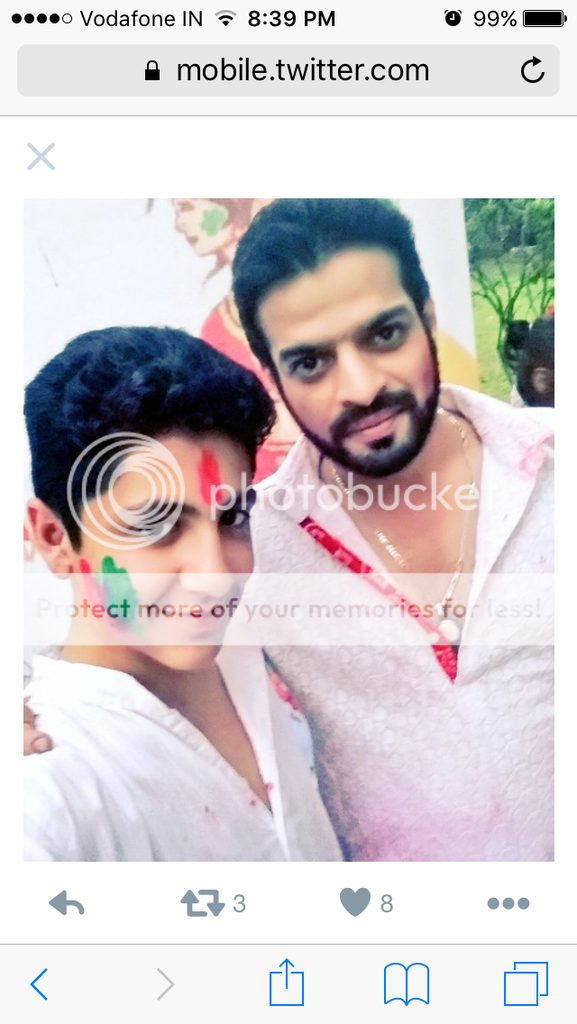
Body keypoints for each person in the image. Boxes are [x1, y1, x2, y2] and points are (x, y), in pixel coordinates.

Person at [230, 198, 554, 862]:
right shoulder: (252, 542)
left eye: (383, 335)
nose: (360, 387)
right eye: (310, 363)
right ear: (274, 380)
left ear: (428, 318)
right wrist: (33, 716)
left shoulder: (554, 465)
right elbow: (135, 644)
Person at [23, 326, 341, 862]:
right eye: (157, 525)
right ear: (55, 539)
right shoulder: (46, 782)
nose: (215, 576)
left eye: (232, 518)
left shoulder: (257, 651)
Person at [171, 198, 300, 480]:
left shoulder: (310, 291)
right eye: (177, 211)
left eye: (187, 208)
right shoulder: (216, 328)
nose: (179, 224)